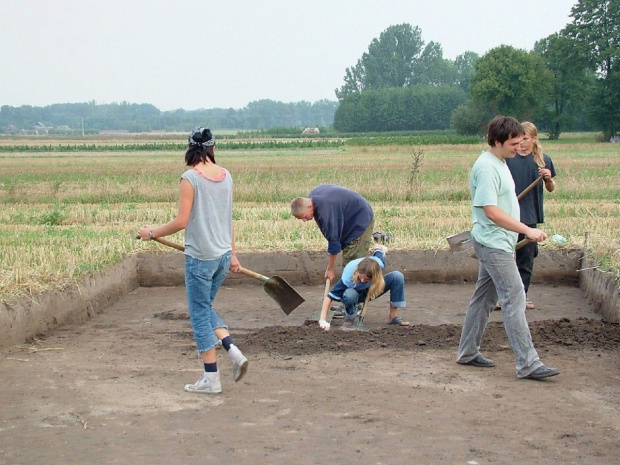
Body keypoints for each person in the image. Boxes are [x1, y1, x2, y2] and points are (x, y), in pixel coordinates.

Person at [137, 127, 248, 394]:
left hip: (200, 259)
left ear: (189, 149)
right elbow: (228, 219)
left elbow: (181, 221)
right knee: (205, 307)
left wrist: (150, 233)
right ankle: (232, 350)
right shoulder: (226, 175)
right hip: (221, 256)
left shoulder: (190, 178)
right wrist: (232, 252)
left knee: (198, 313)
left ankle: (212, 379)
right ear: (212, 148)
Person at [456, 116, 559, 380]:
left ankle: (467, 351)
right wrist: (526, 229)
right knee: (515, 297)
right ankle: (528, 363)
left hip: (498, 241)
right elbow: (490, 211)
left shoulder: (501, 162)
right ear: (497, 142)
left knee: (484, 298)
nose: (519, 147)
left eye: (521, 141)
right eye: (513, 143)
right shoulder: (487, 168)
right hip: (493, 243)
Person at [505, 122, 556, 310]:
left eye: (525, 138)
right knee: (505, 259)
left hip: (530, 216)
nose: (521, 143)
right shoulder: (509, 159)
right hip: (509, 216)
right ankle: (502, 297)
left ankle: (521, 298)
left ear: (534, 139)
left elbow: (551, 188)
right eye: (519, 139)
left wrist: (548, 178)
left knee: (525, 261)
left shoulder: (543, 161)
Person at [290, 184, 374, 282]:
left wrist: (330, 269)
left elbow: (334, 242)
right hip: (352, 215)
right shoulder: (314, 196)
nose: (304, 220)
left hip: (361, 220)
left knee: (352, 268)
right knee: (350, 269)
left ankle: (360, 293)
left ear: (309, 206)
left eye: (304, 216)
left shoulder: (326, 212)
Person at [317, 244, 409, 331]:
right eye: (361, 277)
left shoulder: (379, 264)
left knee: (397, 276)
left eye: (366, 279)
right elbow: (329, 297)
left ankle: (393, 317)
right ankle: (350, 315)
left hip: (371, 289)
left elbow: (379, 253)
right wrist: (323, 319)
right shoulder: (348, 277)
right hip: (353, 293)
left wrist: (378, 248)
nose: (362, 280)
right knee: (349, 295)